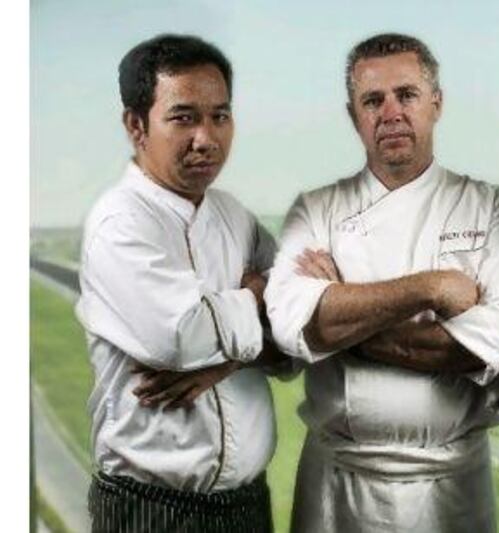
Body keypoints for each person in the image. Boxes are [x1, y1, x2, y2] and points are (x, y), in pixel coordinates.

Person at [265, 33, 499, 532]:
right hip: (339, 481)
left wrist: (341, 322)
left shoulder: (488, 205)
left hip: (450, 485)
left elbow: (498, 339)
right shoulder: (315, 209)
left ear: (436, 103)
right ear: (353, 116)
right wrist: (432, 288)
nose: (390, 112)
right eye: (372, 100)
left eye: (406, 95)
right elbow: (289, 324)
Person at [76, 34, 284, 532]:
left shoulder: (235, 216)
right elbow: (180, 338)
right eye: (184, 117)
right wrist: (257, 294)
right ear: (135, 126)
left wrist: (224, 362)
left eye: (220, 115)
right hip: (149, 510)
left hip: (246, 506)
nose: (207, 138)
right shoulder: (119, 222)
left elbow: (299, 323)